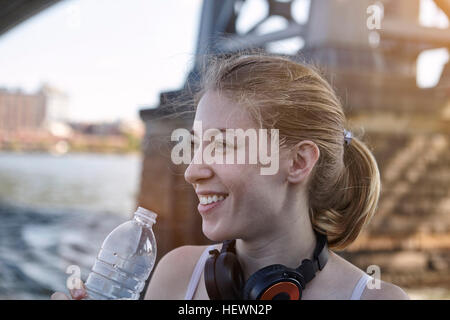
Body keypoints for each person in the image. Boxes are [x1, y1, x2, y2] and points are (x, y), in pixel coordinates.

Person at [52, 52, 409, 300]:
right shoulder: (176, 274)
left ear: (299, 162)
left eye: (222, 146)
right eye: (195, 146)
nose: (192, 171)